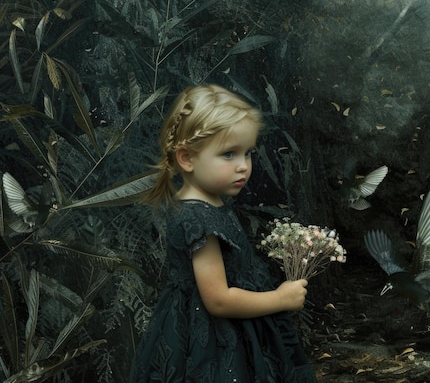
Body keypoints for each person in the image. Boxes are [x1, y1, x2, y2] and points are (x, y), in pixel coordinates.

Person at [130, 84, 317, 382]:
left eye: (248, 153)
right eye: (229, 154)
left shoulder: (209, 205)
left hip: (227, 333)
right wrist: (279, 299)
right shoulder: (197, 218)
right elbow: (218, 299)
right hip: (212, 344)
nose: (243, 166)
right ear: (187, 158)